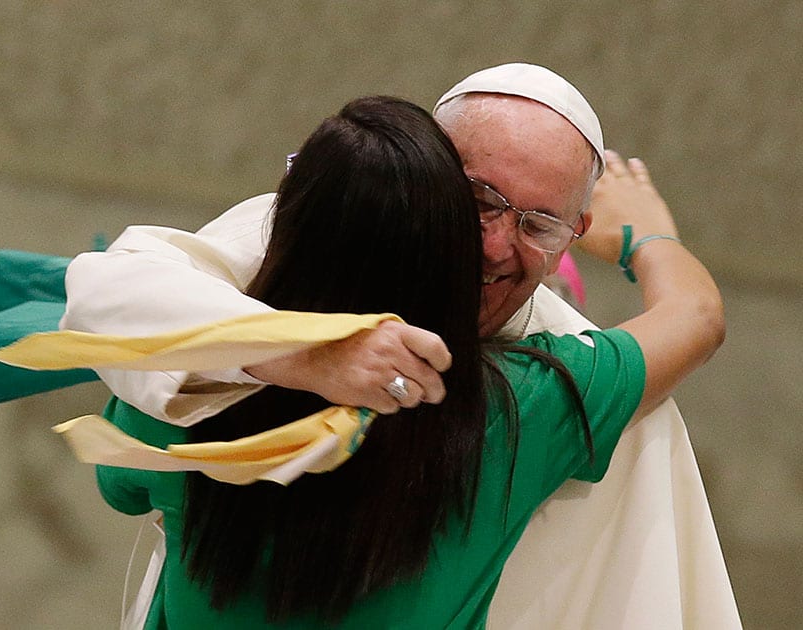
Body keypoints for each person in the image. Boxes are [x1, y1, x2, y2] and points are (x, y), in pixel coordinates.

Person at [61, 64, 742, 628]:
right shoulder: (520, 412)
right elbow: (697, 316)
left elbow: (121, 482)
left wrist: (277, 358)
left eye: (537, 222)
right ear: (431, 201)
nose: (497, 246)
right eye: (479, 202)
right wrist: (648, 236)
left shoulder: (188, 387)